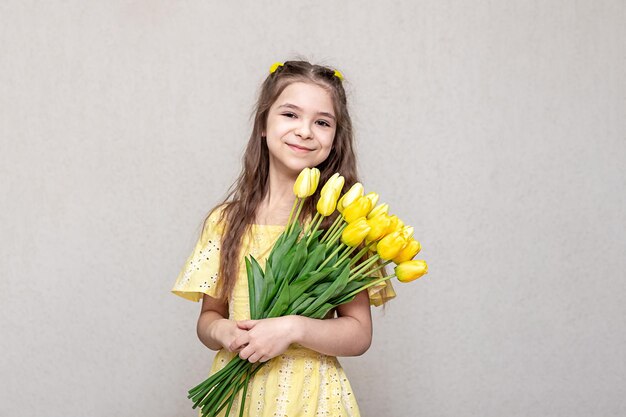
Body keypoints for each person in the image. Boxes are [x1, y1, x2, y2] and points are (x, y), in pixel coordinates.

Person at [171, 60, 396, 417]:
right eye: (290, 114)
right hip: (240, 397)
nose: (305, 131)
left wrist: (293, 328)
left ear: (335, 138)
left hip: (313, 398)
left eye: (322, 122)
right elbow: (208, 318)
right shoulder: (226, 222)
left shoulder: (342, 225)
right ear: (263, 123)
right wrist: (225, 333)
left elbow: (358, 334)